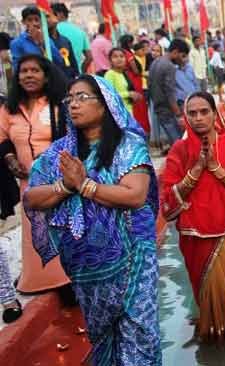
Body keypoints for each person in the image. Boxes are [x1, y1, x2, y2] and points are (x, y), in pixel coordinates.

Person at [24, 74, 161, 365]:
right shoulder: (60, 153)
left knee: (139, 338)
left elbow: (136, 194)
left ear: (105, 104)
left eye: (82, 97)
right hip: (87, 269)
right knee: (103, 339)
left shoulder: (127, 145)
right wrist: (65, 186)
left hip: (132, 259)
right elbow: (32, 198)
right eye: (69, 98)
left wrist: (86, 185)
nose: (73, 105)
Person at [160, 91, 225, 342]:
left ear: (215, 114)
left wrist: (216, 169)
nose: (199, 118)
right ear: (185, 118)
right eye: (192, 113)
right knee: (208, 306)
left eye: (205, 112)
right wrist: (196, 170)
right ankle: (214, 339)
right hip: (196, 237)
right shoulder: (179, 152)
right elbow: (167, 205)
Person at [0, 55, 71, 296]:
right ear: (17, 77)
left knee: (61, 228)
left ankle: (67, 280)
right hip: (27, 182)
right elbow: (2, 139)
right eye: (24, 71)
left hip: (57, 181)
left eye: (35, 71)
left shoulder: (58, 106)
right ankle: (38, 279)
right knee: (35, 231)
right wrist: (10, 159)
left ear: (46, 76)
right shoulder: (9, 109)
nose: (29, 75)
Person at [149, 38, 190, 154]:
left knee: (175, 143)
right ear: (175, 52)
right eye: (182, 56)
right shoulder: (169, 66)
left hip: (159, 108)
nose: (183, 60)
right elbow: (170, 93)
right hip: (168, 111)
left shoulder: (155, 62)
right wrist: (178, 114)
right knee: (180, 145)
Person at [10, 6, 64, 72]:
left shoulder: (47, 40)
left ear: (41, 21)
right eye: (29, 20)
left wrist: (42, 43)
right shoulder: (17, 43)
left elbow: (59, 60)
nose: (34, 23)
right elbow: (17, 67)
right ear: (23, 22)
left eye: (36, 20)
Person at [52, 3, 92, 73]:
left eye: (49, 15)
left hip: (58, 74)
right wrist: (82, 70)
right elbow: (89, 57)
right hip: (76, 75)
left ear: (59, 14)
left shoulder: (52, 30)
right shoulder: (80, 31)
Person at [104, 48, 141, 114]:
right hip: (118, 113)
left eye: (122, 56)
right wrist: (128, 94)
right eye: (115, 57)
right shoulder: (110, 74)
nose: (119, 59)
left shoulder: (123, 73)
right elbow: (108, 95)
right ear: (110, 60)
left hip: (128, 111)